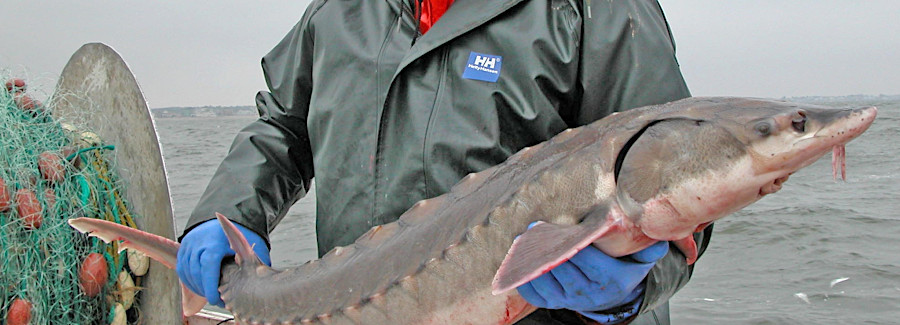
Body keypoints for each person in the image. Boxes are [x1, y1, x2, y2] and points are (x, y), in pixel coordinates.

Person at [176, 0, 713, 323]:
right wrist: (228, 210)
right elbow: (283, 128)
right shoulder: (338, 12)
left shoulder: (592, 9)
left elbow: (683, 183)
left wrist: (630, 290)